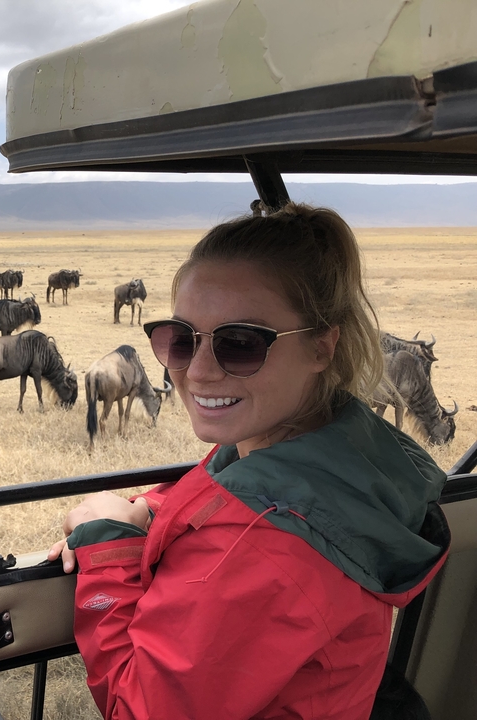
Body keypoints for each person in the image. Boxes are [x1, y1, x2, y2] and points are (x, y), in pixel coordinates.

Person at [48, 203, 450, 720]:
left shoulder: (267, 546)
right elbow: (230, 489)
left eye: (240, 344)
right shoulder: (332, 452)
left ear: (322, 347)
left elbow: (139, 712)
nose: (196, 371)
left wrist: (106, 545)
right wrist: (148, 509)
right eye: (179, 338)